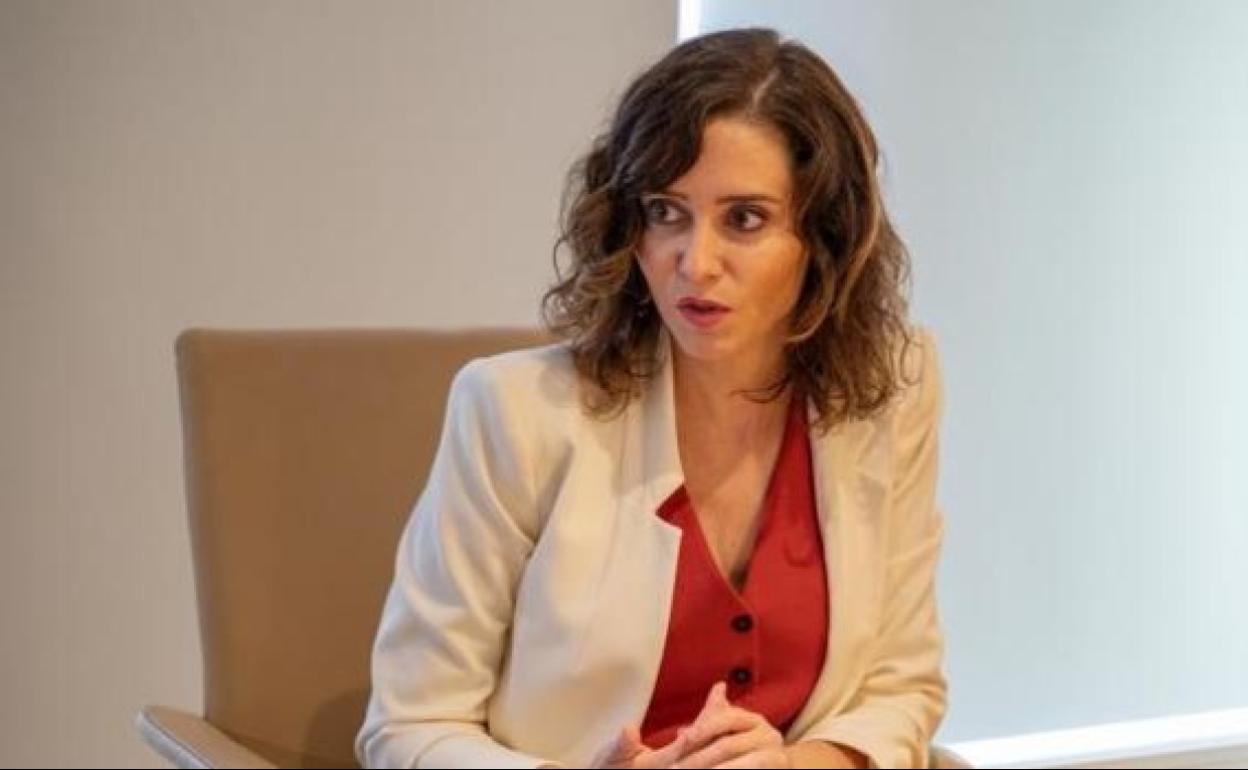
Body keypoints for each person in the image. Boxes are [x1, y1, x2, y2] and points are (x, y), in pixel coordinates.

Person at [356, 27, 948, 769]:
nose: (695, 263)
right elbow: (408, 727)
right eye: (666, 212)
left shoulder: (895, 389)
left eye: (745, 218)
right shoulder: (512, 412)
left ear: (823, 237)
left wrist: (798, 765)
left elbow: (901, 684)